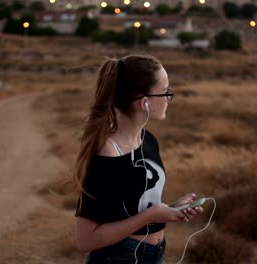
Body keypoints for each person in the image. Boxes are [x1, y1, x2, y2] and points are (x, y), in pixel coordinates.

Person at [74, 54, 204, 264]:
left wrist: (172, 208)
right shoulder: (106, 153)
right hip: (118, 257)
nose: (169, 97)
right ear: (144, 103)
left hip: (155, 254)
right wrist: (151, 216)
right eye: (165, 91)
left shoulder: (148, 141)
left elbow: (131, 209)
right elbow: (85, 240)